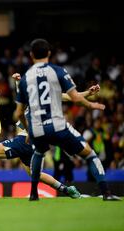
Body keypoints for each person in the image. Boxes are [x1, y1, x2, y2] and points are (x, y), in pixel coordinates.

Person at [0, 76, 101, 198]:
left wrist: (87, 93)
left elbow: (71, 97)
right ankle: (67, 190)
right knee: (36, 174)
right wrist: (17, 82)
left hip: (25, 139)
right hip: (34, 146)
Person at [14, 38, 120, 201]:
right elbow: (74, 98)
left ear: (31, 55)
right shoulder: (57, 71)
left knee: (39, 152)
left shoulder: (25, 79)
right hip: (57, 126)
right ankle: (106, 193)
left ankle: (34, 194)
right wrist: (91, 105)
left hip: (37, 128)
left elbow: (19, 113)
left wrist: (29, 130)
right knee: (90, 155)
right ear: (49, 53)